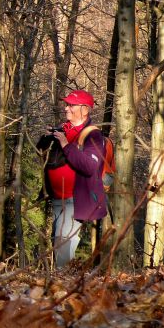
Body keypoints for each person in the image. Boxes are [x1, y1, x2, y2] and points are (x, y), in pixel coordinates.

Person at [43, 90, 108, 266]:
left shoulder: (93, 135)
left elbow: (89, 167)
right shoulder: (64, 129)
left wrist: (65, 144)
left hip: (75, 199)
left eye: (71, 105)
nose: (66, 108)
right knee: (60, 243)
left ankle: (64, 286)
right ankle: (66, 284)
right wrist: (47, 138)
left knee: (63, 243)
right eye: (67, 104)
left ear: (85, 110)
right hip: (58, 199)